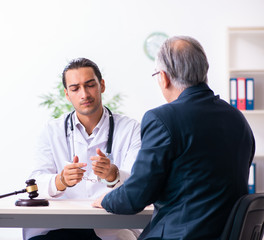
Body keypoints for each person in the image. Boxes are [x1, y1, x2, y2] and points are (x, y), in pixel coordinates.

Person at [92, 36, 256, 240]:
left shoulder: (162, 119)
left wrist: (106, 199)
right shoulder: (237, 119)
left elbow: (135, 196)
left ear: (164, 77)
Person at [23, 58, 142, 240]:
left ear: (102, 85)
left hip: (111, 228)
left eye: (90, 85)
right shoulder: (51, 131)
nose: (84, 94)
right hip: (59, 229)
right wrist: (60, 180)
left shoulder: (131, 129)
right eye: (75, 88)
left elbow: (140, 183)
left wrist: (113, 175)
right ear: (67, 94)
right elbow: (35, 182)